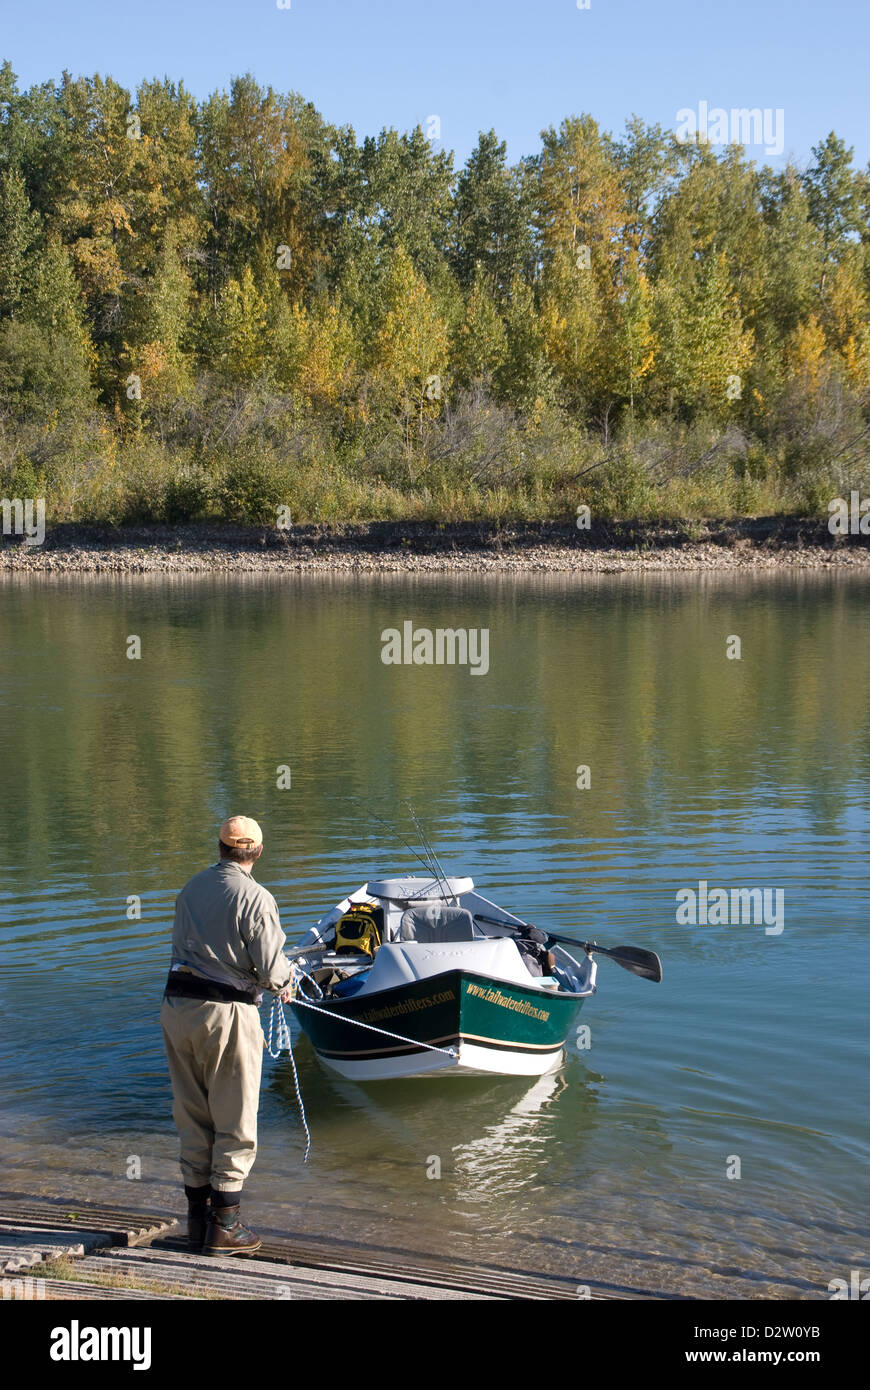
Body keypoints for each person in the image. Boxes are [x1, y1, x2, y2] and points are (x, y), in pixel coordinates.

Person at [160, 816, 294, 1256]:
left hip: (177, 1007)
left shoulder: (191, 889)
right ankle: (227, 1227)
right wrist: (286, 984)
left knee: (192, 1114)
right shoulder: (256, 898)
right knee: (235, 1119)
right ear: (256, 852)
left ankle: (196, 1222)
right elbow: (274, 972)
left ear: (220, 848)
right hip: (227, 1014)